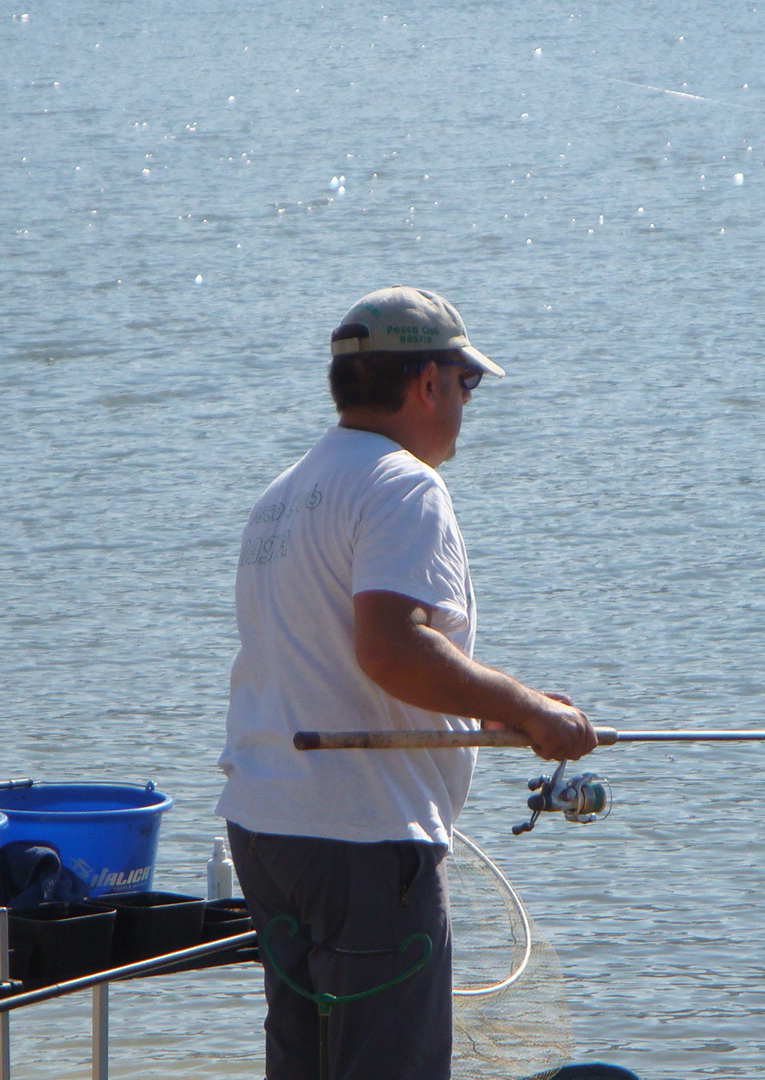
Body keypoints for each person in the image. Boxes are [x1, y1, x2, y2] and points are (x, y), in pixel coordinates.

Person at [217, 286, 600, 1080]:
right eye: (467, 382)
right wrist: (530, 709)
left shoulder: (283, 496)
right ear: (427, 382)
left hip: (266, 830)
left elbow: (334, 667)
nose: (467, 401)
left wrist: (488, 714)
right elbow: (391, 650)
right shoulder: (403, 484)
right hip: (364, 842)